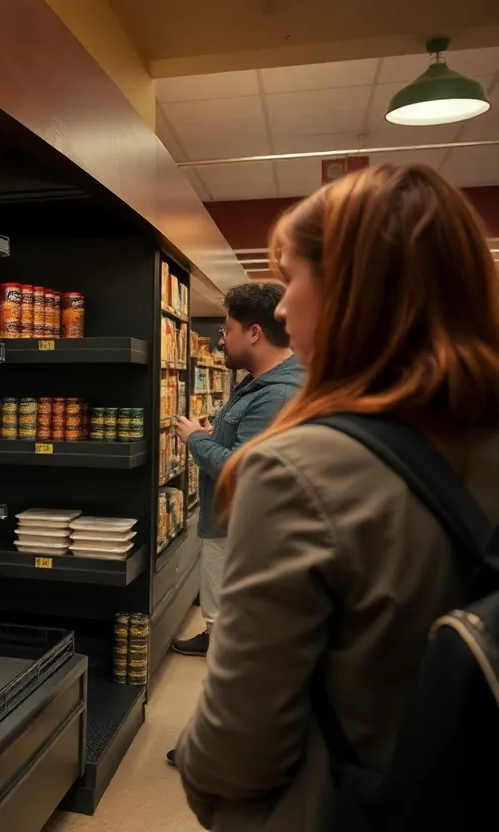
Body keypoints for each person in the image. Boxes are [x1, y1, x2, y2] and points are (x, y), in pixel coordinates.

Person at [175, 163, 499, 831]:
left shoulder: (299, 469)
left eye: (293, 278)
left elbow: (239, 743)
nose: (282, 309)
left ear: (355, 292)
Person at [171, 282, 303, 658]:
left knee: (232, 628)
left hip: (239, 529)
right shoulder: (259, 385)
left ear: (254, 332)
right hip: (230, 524)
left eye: (227, 330)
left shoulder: (276, 394)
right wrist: (216, 435)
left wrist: (196, 440)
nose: (221, 341)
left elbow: (242, 469)